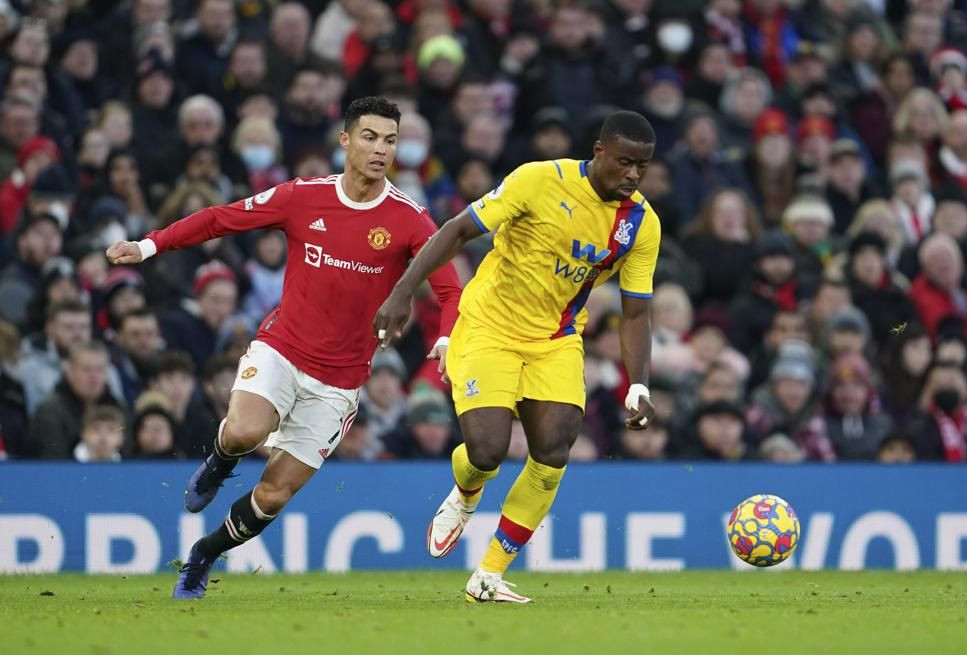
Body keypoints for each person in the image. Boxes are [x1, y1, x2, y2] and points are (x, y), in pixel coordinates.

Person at [105, 97, 462, 599]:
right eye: (369, 137)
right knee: (245, 433)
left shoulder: (409, 219)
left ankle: (204, 555)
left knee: (272, 496)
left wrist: (445, 337)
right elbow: (220, 219)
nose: (380, 149)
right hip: (283, 350)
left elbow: (450, 290)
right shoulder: (302, 197)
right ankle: (220, 461)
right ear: (345, 141)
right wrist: (149, 245)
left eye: (390, 140)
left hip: (340, 381)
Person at [375, 111, 660, 603]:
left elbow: (635, 314)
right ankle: (465, 494)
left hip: (555, 340)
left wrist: (638, 384)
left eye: (642, 167)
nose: (633, 176)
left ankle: (488, 574)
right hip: (488, 326)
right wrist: (403, 291)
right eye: (624, 163)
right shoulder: (537, 180)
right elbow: (459, 230)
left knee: (552, 450)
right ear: (598, 152)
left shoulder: (640, 224)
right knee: (486, 452)